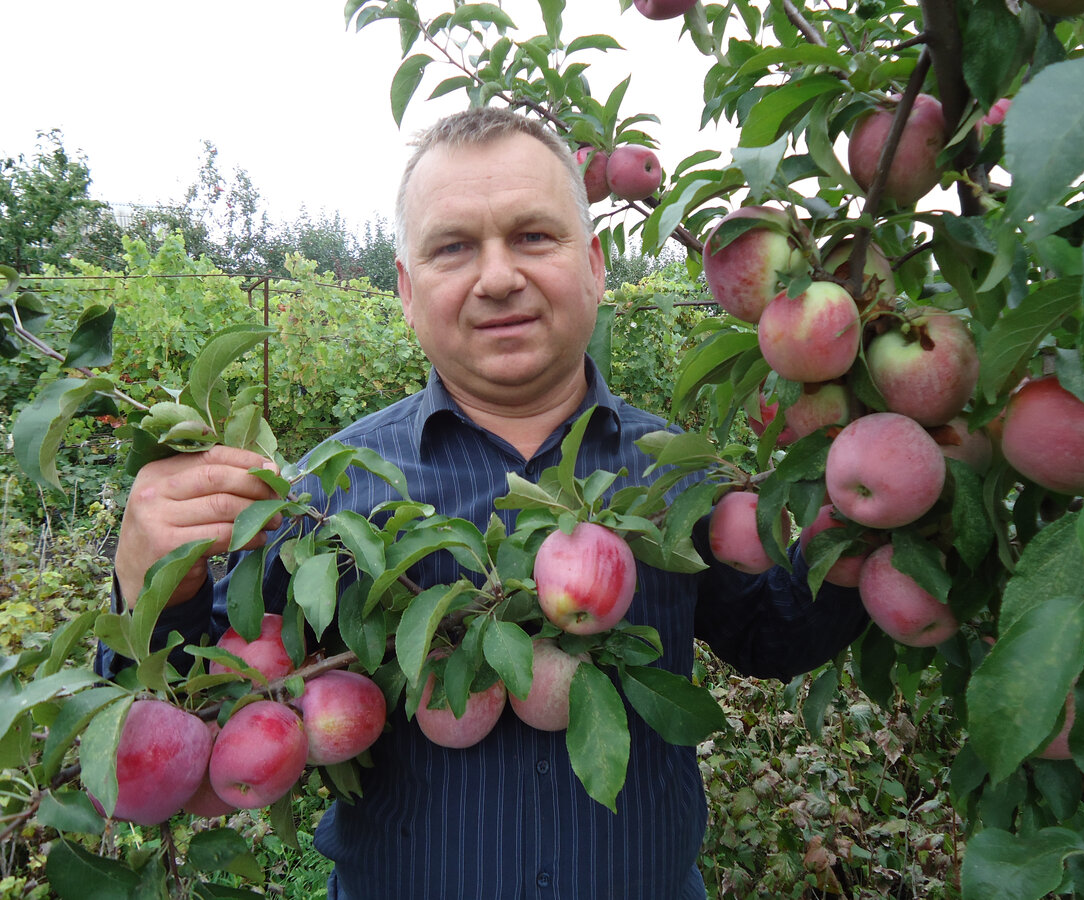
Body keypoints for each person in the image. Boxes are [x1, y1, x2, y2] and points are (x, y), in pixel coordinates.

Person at [102, 107, 868, 900]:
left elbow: (767, 635)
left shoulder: (674, 472)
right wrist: (151, 585)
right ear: (405, 288)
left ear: (596, 266)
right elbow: (207, 696)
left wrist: (861, 528)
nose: (498, 276)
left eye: (534, 236)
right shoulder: (328, 491)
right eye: (453, 247)